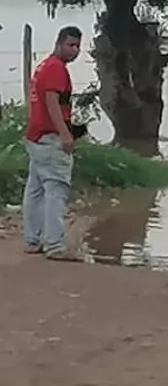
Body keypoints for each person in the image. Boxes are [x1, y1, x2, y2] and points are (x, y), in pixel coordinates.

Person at [23, 26, 83, 262]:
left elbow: (36, 99)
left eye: (78, 46)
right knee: (56, 189)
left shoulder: (43, 66)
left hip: (36, 136)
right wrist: (65, 135)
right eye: (70, 45)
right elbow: (51, 101)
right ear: (59, 43)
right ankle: (55, 245)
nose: (74, 50)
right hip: (50, 138)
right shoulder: (56, 68)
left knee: (36, 191)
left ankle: (33, 239)